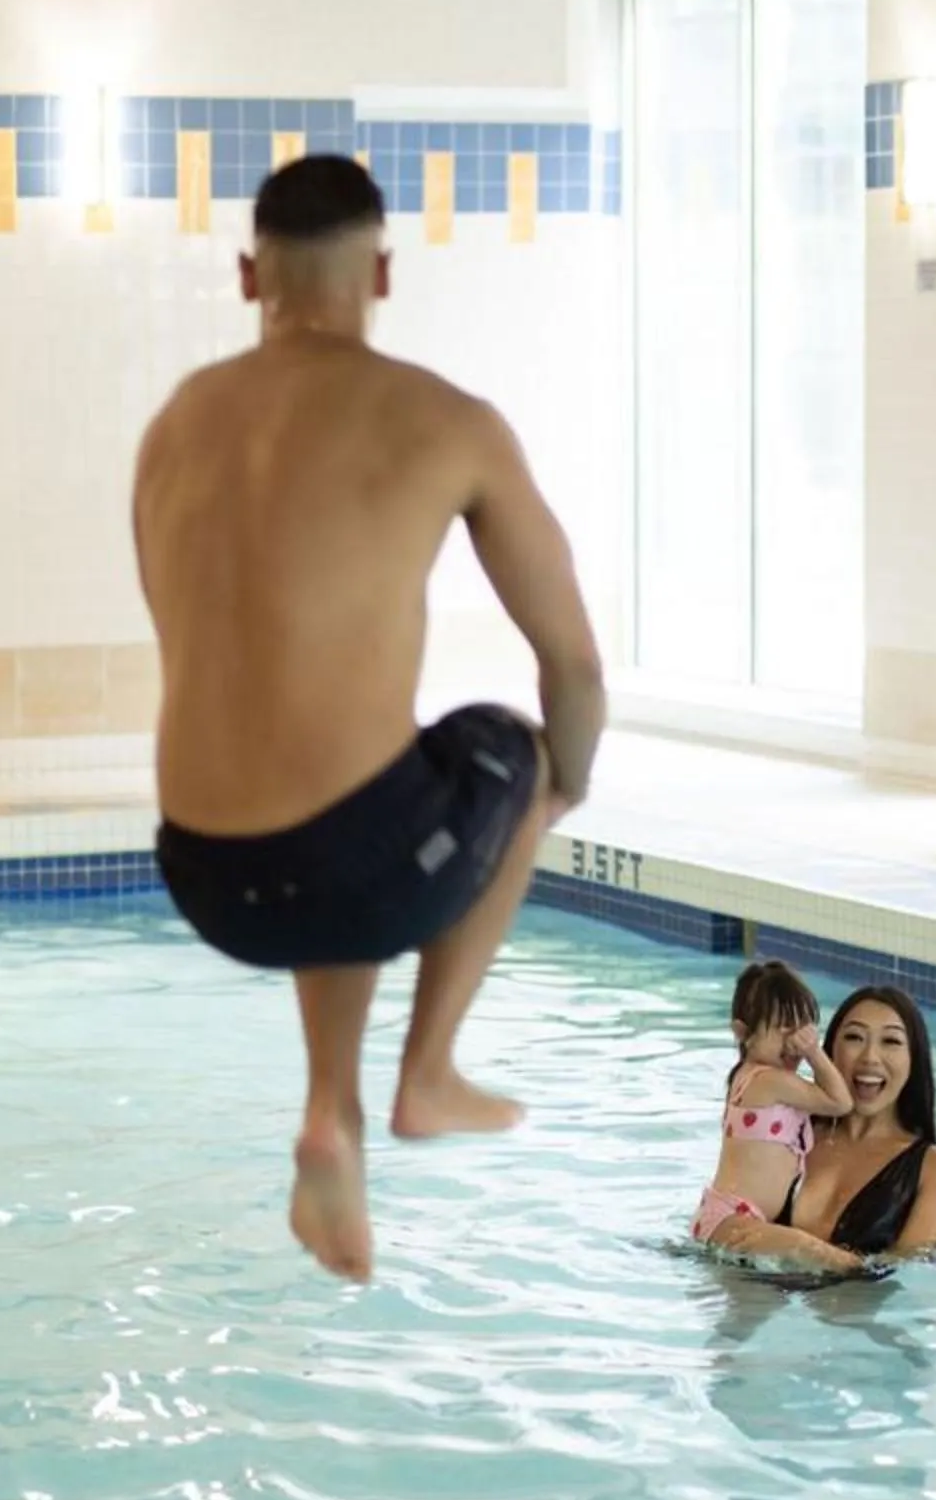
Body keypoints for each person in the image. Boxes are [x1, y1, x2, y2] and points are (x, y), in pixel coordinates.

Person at [132, 155, 607, 1287]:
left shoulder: (176, 422)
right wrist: (557, 792)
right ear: (382, 273)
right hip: (349, 861)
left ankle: (329, 1116)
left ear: (250, 276)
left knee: (349, 790)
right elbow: (575, 664)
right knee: (507, 743)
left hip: (198, 867)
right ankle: (427, 1073)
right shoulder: (448, 420)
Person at [788, 985, 936, 1257]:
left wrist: (801, 1247)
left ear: (913, 1059)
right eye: (854, 1037)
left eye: (891, 1041)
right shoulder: (791, 1132)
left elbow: (904, 1275)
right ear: (830, 1051)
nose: (870, 1058)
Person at [692, 961, 852, 1250]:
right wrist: (814, 1053)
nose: (794, 1043)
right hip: (734, 1218)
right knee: (817, 1253)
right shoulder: (769, 1081)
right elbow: (840, 1102)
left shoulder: (745, 1077)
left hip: (724, 1216)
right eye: (782, 1029)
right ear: (743, 1033)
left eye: (801, 1029)